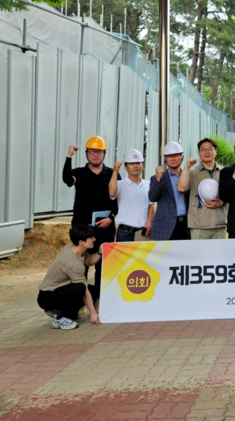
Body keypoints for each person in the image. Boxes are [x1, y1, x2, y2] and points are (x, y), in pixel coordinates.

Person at [63, 136, 119, 302]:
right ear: (86, 153)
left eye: (99, 152)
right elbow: (67, 180)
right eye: (92, 152)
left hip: (105, 228)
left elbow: (118, 199)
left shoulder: (112, 174)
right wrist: (69, 157)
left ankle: (102, 302)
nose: (96, 155)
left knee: (104, 266)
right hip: (83, 228)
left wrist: (111, 218)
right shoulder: (79, 173)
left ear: (104, 154)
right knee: (81, 267)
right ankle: (80, 303)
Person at [37, 225, 101, 330]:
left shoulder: (74, 246)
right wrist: (93, 313)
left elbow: (89, 261)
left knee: (95, 291)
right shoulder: (72, 262)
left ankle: (63, 311)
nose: (94, 239)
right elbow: (84, 289)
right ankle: (61, 319)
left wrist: (99, 252)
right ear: (81, 242)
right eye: (91, 237)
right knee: (80, 288)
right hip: (47, 296)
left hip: (59, 290)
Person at [177, 137, 227, 239]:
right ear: (199, 154)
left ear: (215, 152)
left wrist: (222, 203)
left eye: (210, 149)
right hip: (198, 225)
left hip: (220, 224)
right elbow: (181, 188)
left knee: (220, 250)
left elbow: (232, 196)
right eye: (203, 149)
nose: (207, 152)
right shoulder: (192, 172)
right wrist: (186, 167)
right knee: (198, 250)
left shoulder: (225, 172)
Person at [109, 149, 154, 242]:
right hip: (125, 232)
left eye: (138, 163)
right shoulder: (120, 184)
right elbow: (112, 193)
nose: (135, 166)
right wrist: (115, 171)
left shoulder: (149, 184)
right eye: (131, 164)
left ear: (142, 165)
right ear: (125, 167)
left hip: (144, 231)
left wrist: (150, 221)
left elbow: (151, 205)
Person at [148, 141, 191, 240]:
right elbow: (152, 198)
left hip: (186, 225)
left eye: (176, 155)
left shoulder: (189, 176)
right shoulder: (157, 178)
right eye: (170, 156)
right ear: (165, 158)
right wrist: (158, 179)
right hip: (164, 226)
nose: (173, 158)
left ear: (182, 157)